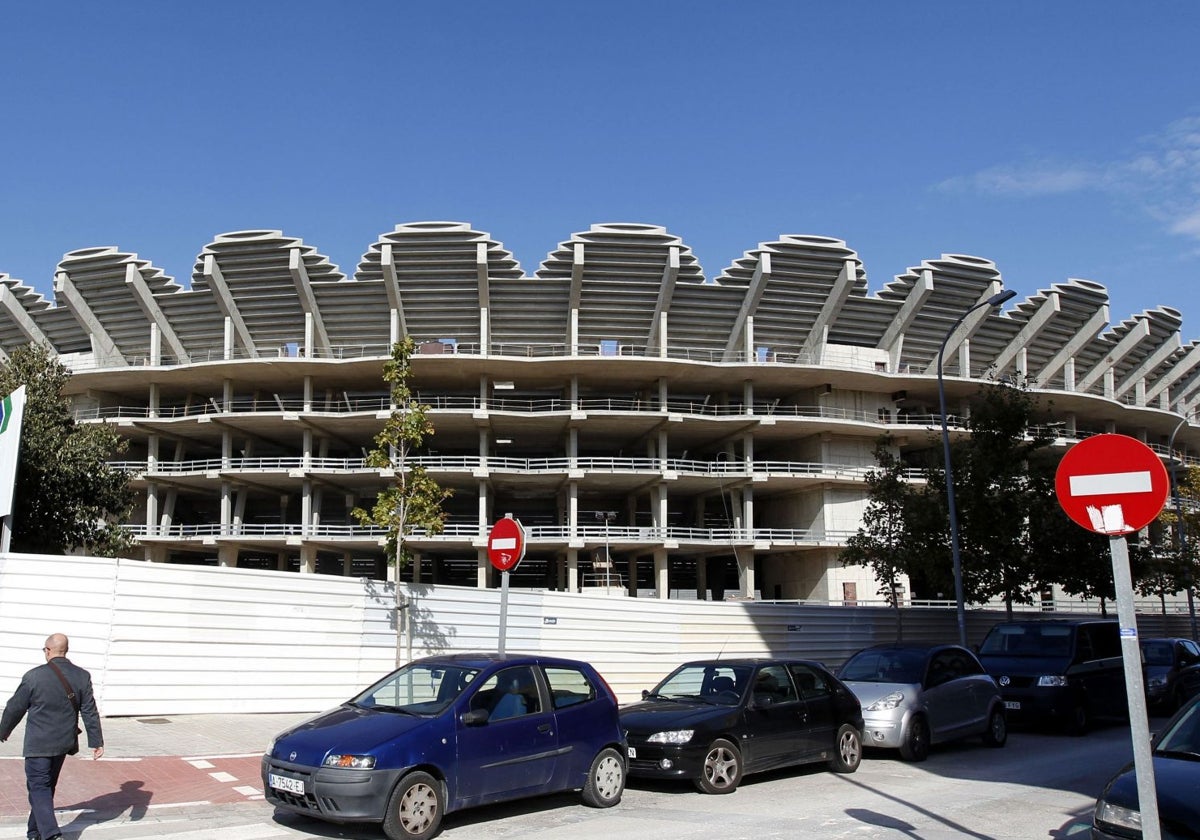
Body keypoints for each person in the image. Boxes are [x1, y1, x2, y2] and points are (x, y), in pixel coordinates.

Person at [0, 633, 104, 840]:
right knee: (45, 787)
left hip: (39, 743)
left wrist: (3, 731)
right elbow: (90, 710)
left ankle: (50, 834)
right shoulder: (82, 676)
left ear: (48, 650)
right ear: (65, 651)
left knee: (39, 786)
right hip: (63, 743)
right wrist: (96, 741)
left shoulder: (34, 676)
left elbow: (14, 708)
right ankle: (34, 832)